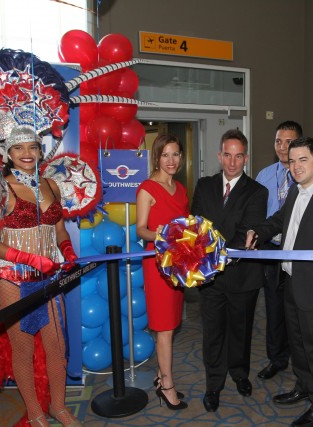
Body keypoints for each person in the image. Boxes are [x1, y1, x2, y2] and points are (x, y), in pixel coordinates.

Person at [246, 136, 313, 427]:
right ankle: (304, 387)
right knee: (298, 344)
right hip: (291, 282)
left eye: (303, 159)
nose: (296, 166)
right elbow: (279, 221)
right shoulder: (295, 192)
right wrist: (258, 231)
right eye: (292, 161)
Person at [0, 126, 81, 427]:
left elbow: (59, 229)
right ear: (8, 153)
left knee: (58, 348)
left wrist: (67, 251)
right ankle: (36, 413)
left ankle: (59, 407)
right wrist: (27, 258)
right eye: (18, 148)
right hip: (13, 278)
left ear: (40, 150)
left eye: (32, 147)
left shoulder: (52, 185)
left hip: (49, 279)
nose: (26, 154)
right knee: (22, 350)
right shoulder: (0, 190)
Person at [190, 128, 268, 412]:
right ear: (219, 155)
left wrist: (215, 254)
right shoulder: (204, 185)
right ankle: (214, 384)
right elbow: (196, 225)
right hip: (209, 278)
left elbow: (248, 230)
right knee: (212, 332)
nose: (232, 162)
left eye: (238, 156)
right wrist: (207, 259)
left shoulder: (258, 192)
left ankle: (239, 373)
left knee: (241, 329)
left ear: (245, 157)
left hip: (242, 275)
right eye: (227, 155)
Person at [136, 134, 189, 410]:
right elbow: (140, 229)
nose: (171, 160)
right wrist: (158, 235)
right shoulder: (147, 188)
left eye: (176, 155)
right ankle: (167, 386)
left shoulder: (180, 189)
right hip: (157, 264)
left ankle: (160, 376)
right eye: (166, 155)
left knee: (172, 323)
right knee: (165, 328)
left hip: (178, 264)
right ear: (156, 157)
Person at [254, 120, 303, 380]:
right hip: (271, 252)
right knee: (273, 309)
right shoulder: (263, 175)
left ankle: (301, 364)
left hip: (299, 255)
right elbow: (258, 215)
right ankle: (276, 359)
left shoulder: (308, 177)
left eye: (289, 142)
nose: (283, 147)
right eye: (278, 142)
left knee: (297, 313)